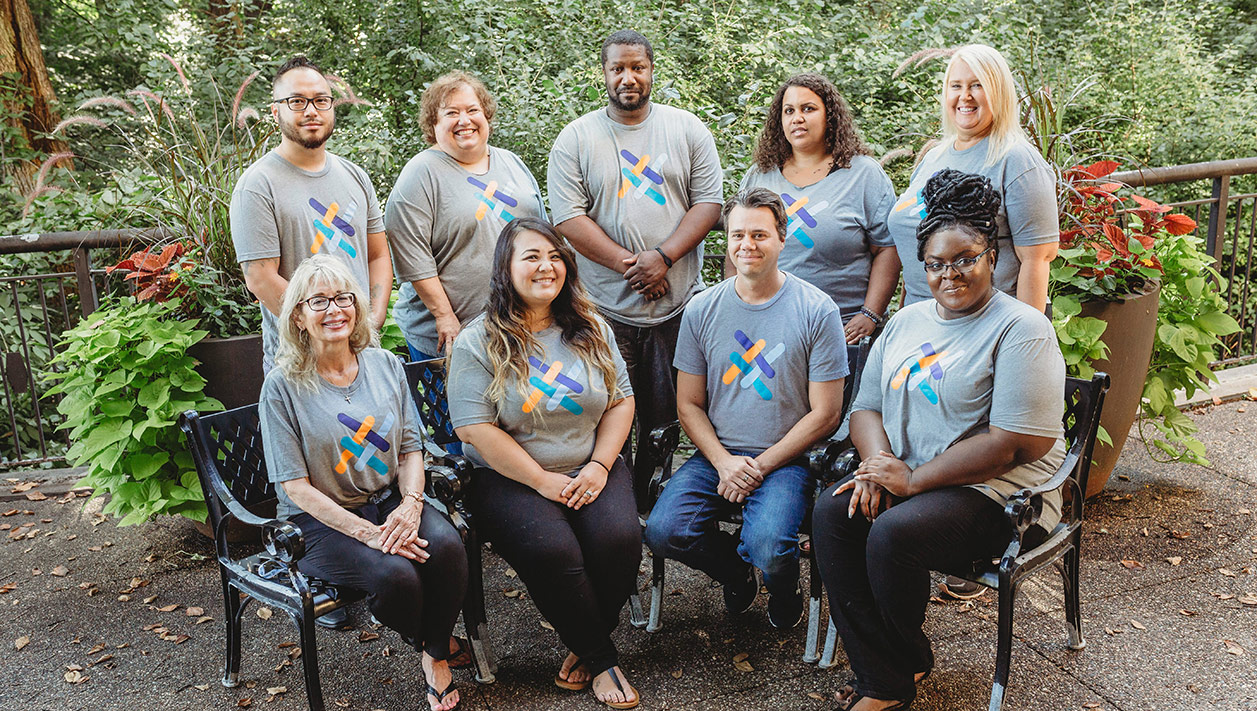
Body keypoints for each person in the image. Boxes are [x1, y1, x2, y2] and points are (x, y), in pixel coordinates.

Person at [812, 170, 1067, 711]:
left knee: (893, 534)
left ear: (991, 258)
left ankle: (890, 677)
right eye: (935, 264)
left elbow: (1010, 445)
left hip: (1001, 493)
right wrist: (878, 466)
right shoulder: (907, 321)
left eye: (964, 259)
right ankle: (889, 670)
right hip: (913, 475)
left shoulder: (1021, 329)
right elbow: (865, 408)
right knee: (833, 515)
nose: (950, 274)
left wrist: (911, 481)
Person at [447, 217, 642, 709]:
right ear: (505, 268)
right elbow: (474, 429)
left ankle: (583, 641)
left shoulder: (591, 326)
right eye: (531, 256)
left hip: (591, 463)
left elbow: (621, 400)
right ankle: (602, 659)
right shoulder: (478, 340)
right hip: (509, 477)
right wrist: (540, 480)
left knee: (620, 541)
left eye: (555, 256)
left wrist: (600, 466)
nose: (546, 266)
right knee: (554, 550)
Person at [258, 254, 467, 711]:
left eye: (343, 298)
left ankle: (434, 656)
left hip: (389, 499)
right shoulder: (282, 386)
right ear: (298, 316)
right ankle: (431, 640)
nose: (334, 309)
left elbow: (410, 448)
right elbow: (294, 486)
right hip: (319, 522)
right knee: (396, 577)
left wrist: (411, 505)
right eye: (318, 301)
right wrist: (367, 533)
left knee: (448, 548)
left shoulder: (385, 364)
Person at [643, 188, 848, 629]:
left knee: (769, 546)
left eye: (759, 234)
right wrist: (724, 462)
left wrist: (759, 466)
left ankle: (783, 587)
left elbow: (827, 414)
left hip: (787, 460)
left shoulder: (817, 310)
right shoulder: (702, 309)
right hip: (716, 456)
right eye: (738, 235)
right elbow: (688, 404)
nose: (746, 245)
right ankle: (735, 574)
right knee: (664, 531)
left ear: (782, 238)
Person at [547, 29, 723, 509]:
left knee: (668, 416)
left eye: (637, 67)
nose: (628, 77)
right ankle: (614, 506)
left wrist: (663, 259)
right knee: (607, 412)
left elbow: (709, 203)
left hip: (677, 307)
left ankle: (654, 502)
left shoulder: (687, 129)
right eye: (618, 68)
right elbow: (568, 218)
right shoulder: (576, 138)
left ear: (651, 71)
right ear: (603, 74)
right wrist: (636, 268)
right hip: (603, 309)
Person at [231, 55, 393, 373]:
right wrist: (326, 332)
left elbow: (377, 256)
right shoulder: (257, 185)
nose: (311, 110)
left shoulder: (356, 177)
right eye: (297, 101)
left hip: (363, 356)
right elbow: (260, 278)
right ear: (276, 111)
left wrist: (370, 321)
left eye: (320, 100)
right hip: (299, 363)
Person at [387, 70, 547, 361]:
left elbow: (545, 236)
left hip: (522, 327)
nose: (464, 120)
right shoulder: (421, 174)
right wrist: (444, 316)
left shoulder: (512, 162)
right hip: (454, 335)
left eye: (473, 110)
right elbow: (413, 257)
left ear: (486, 116)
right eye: (451, 113)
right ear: (433, 123)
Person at [887, 44, 1057, 313]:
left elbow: (1036, 260)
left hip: (986, 323)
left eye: (977, 85)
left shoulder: (1017, 160)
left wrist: (1025, 333)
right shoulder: (933, 158)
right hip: (922, 321)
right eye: (956, 86)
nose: (964, 96)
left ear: (998, 92)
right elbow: (916, 249)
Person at [739, 72, 899, 353]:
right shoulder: (760, 175)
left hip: (843, 332)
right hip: (768, 329)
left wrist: (870, 314)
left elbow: (887, 248)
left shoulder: (863, 175)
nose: (797, 118)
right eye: (789, 111)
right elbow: (738, 247)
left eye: (808, 109)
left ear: (830, 117)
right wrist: (740, 308)